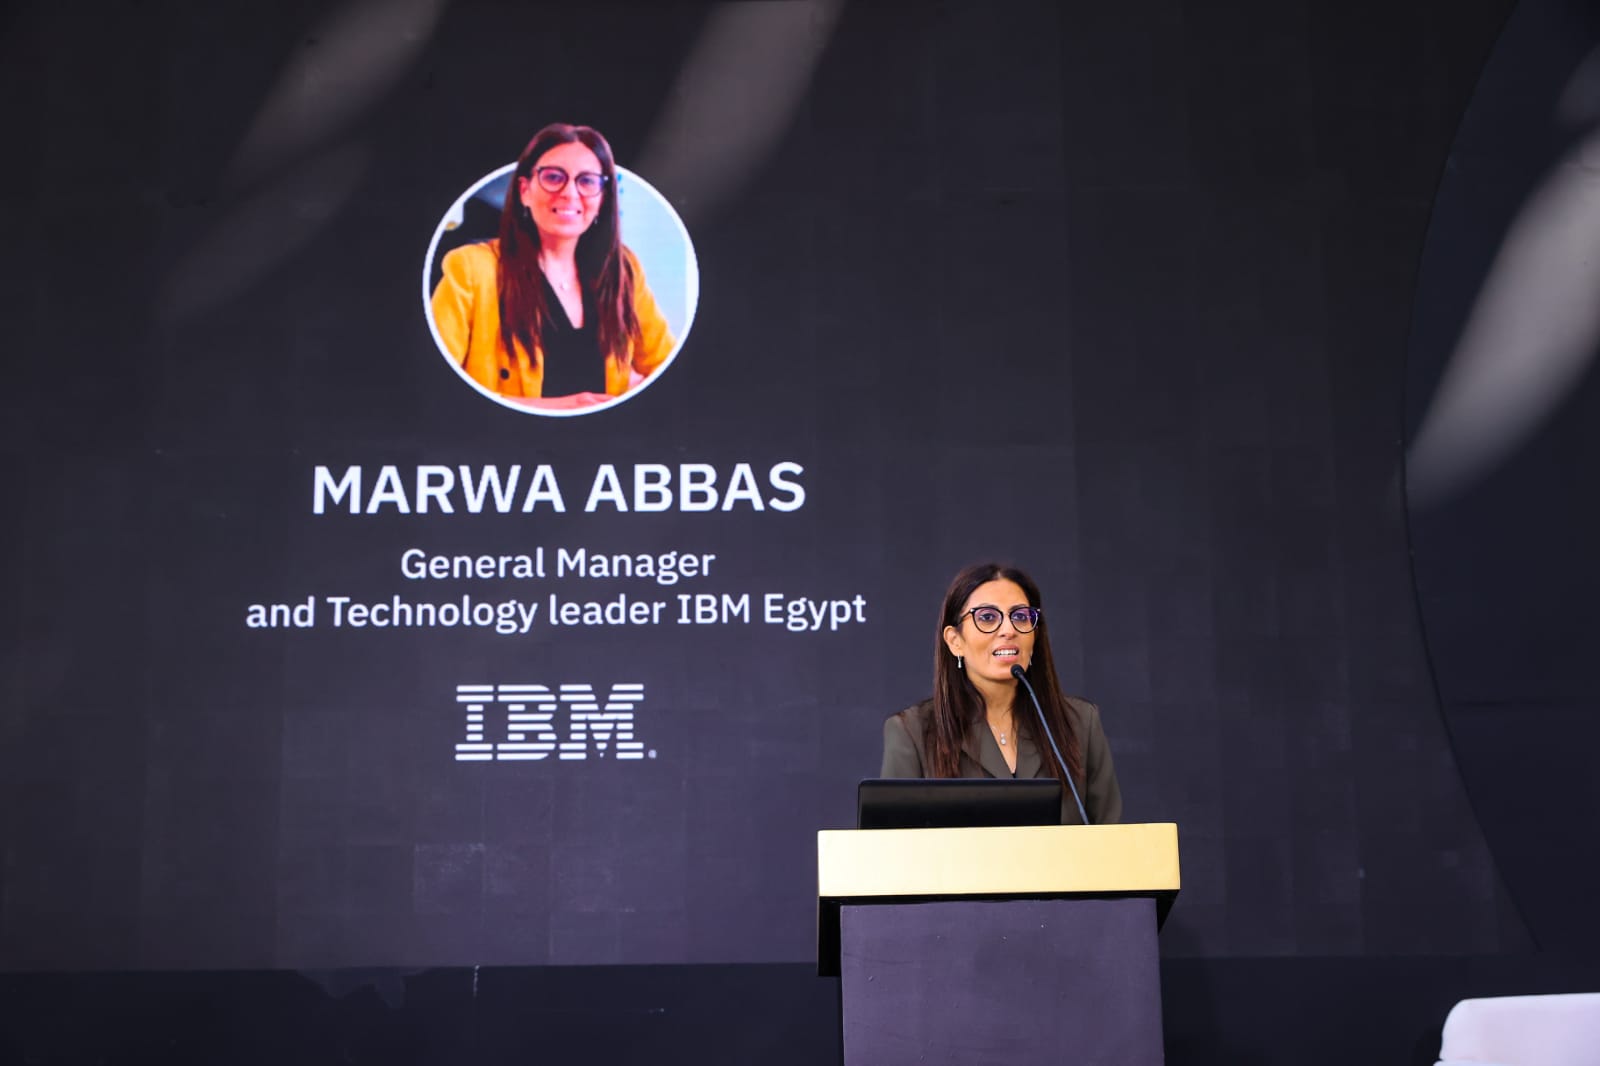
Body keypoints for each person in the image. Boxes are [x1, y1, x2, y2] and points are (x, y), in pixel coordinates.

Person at [430, 123, 675, 410]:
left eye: (587, 181)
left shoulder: (623, 268)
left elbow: (668, 366)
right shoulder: (471, 268)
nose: (570, 193)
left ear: (603, 196)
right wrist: (556, 408)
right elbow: (439, 387)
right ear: (524, 190)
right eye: (553, 177)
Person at [881, 563, 1122, 825]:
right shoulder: (913, 733)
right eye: (987, 617)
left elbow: (1110, 837)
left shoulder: (1080, 724)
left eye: (1020, 617)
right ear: (955, 641)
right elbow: (894, 844)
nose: (1009, 630)